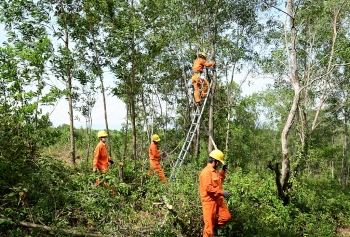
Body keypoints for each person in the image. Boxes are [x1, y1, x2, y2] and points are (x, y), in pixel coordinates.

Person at [199, 149, 231, 237]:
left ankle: (213, 226)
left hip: (218, 199)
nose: (219, 165)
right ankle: (210, 228)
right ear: (215, 161)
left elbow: (219, 181)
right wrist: (222, 192)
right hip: (209, 202)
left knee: (226, 217)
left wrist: (223, 171)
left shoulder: (215, 171)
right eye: (219, 163)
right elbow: (208, 188)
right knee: (208, 230)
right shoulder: (206, 172)